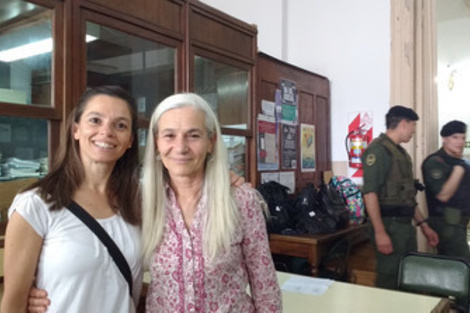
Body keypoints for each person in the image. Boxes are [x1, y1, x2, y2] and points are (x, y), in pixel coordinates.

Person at [1, 86, 143, 313]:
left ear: (130, 141)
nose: (106, 131)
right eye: (95, 120)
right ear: (76, 130)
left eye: (120, 125)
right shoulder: (36, 205)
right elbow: (12, 304)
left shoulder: (137, 203)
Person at [141, 93, 282, 312]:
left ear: (211, 142)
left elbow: (265, 287)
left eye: (193, 135)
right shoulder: (142, 201)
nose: (180, 147)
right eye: (169, 135)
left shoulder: (241, 200)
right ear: (156, 143)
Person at [361, 105, 439, 290]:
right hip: (389, 226)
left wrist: (424, 226)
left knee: (408, 279)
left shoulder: (401, 154)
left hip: (404, 227)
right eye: (413, 126)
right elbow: (369, 193)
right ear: (404, 124)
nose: (413, 131)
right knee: (389, 281)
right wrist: (380, 232)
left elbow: (408, 197)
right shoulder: (378, 151)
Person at [422, 120, 470, 260]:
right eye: (455, 137)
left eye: (463, 138)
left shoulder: (460, 162)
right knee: (461, 265)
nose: (460, 142)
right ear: (444, 138)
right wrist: (459, 170)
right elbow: (443, 195)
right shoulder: (436, 161)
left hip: (459, 222)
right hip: (446, 223)